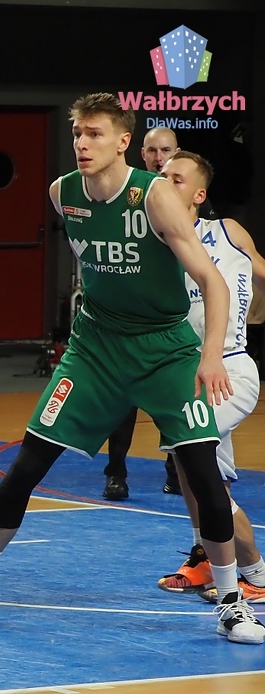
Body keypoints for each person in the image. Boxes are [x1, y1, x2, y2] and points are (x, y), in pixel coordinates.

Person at [0, 93, 263, 644]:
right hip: (95, 347)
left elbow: (213, 282)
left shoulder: (155, 197)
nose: (82, 142)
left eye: (95, 133)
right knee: (27, 465)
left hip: (164, 349)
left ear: (123, 142)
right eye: (78, 133)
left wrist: (211, 354)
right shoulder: (63, 193)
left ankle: (232, 603)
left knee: (201, 472)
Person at [152, 151, 265, 602]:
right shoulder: (157, 243)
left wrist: (256, 308)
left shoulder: (227, 231)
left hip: (229, 369)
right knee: (193, 471)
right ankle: (208, 556)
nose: (165, 182)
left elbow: (259, 270)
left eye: (176, 178)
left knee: (197, 467)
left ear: (199, 194)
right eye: (161, 176)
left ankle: (255, 573)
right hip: (186, 375)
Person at [100, 124, 183, 500]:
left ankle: (175, 470)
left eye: (166, 150)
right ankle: (115, 472)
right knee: (123, 399)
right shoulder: (126, 191)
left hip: (171, 316)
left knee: (174, 398)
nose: (159, 157)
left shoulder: (187, 196)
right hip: (127, 314)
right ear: (141, 153)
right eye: (152, 150)